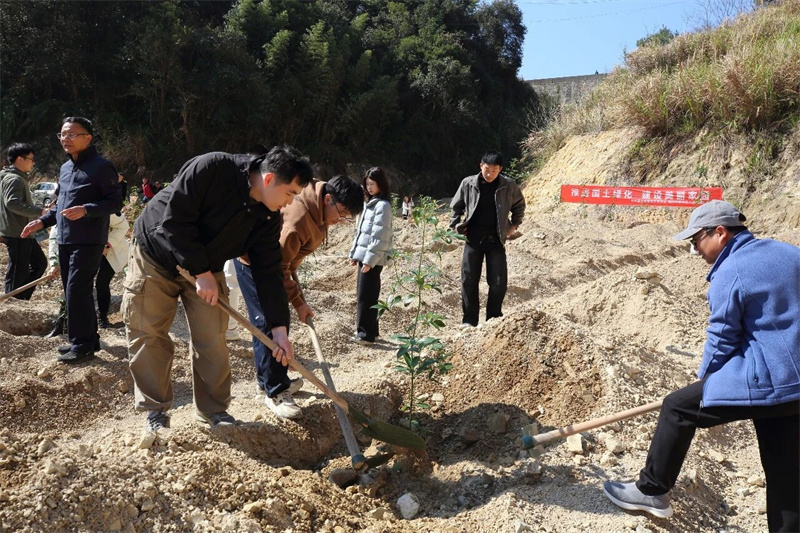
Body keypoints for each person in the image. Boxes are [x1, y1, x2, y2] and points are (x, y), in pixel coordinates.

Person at [603, 200, 800, 532]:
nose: (695, 250)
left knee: (678, 407)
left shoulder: (731, 269)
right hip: (793, 390)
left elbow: (722, 336)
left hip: (772, 382)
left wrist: (706, 380)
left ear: (720, 232)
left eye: (696, 241)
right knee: (785, 473)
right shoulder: (789, 253)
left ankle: (651, 490)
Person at [123, 146, 313, 432]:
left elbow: (268, 272)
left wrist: (279, 329)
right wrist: (201, 272)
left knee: (212, 336)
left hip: (206, 265)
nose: (289, 203)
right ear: (269, 179)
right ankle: (156, 411)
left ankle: (213, 410)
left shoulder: (267, 217)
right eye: (290, 193)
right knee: (148, 332)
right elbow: (175, 220)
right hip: (156, 253)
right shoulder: (212, 168)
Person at [237, 175, 363, 418]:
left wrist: (299, 301)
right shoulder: (298, 220)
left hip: (276, 263)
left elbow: (287, 261)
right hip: (255, 264)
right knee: (270, 323)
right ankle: (275, 392)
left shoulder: (319, 203)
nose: (341, 220)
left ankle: (270, 380)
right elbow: (277, 267)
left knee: (277, 323)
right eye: (342, 213)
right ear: (328, 199)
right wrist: (297, 302)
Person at [21, 117, 122, 362]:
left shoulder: (101, 167)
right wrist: (42, 222)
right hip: (65, 239)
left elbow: (114, 202)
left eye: (72, 134)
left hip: (89, 240)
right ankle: (88, 339)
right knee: (73, 291)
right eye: (62, 135)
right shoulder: (66, 168)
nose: (66, 139)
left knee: (77, 290)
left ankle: (82, 345)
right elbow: (61, 206)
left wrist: (86, 209)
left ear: (88, 138)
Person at [449, 151, 525, 327]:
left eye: (494, 171)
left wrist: (514, 224)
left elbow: (519, 205)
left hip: (496, 239)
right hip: (473, 239)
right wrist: (456, 225)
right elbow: (456, 206)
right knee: (469, 280)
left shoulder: (508, 185)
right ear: (480, 166)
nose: (490, 174)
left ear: (500, 169)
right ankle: (469, 320)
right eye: (487, 170)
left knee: (498, 281)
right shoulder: (468, 183)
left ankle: (493, 319)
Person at [348, 167, 393, 344]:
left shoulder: (382, 206)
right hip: (367, 257)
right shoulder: (371, 204)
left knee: (365, 296)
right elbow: (361, 233)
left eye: (372, 184)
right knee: (370, 294)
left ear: (381, 184)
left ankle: (364, 334)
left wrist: (369, 260)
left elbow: (379, 236)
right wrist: (354, 254)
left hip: (372, 259)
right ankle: (372, 331)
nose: (369, 187)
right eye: (367, 184)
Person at [0, 143, 48, 299]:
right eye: (31, 159)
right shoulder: (14, 179)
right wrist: (39, 211)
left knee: (39, 264)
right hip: (17, 232)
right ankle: (11, 301)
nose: (33, 163)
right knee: (17, 271)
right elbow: (12, 203)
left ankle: (20, 299)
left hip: (24, 232)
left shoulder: (15, 177)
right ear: (20, 159)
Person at [95, 211, 129, 328]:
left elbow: (123, 226)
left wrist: (107, 244)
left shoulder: (107, 209)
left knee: (101, 283)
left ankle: (103, 318)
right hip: (87, 250)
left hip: (110, 251)